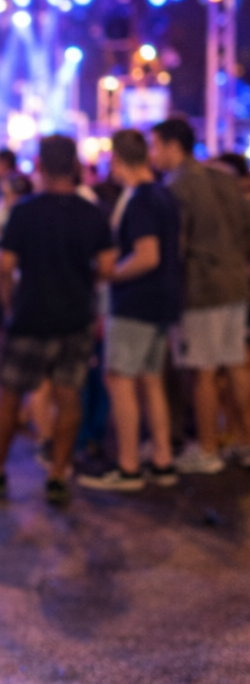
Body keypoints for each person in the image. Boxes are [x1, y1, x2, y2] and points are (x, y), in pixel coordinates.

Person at [0, 134, 114, 505]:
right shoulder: (92, 213)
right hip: (76, 316)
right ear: (76, 168)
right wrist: (83, 284)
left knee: (10, 396)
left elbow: (7, 266)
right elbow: (107, 267)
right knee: (68, 397)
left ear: (41, 167)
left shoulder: (25, 212)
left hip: (30, 315)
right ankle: (59, 475)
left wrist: (11, 305)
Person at [78, 129, 182, 491]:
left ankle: (129, 467)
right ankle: (163, 461)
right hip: (163, 300)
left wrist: (110, 275)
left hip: (137, 301)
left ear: (118, 160)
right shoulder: (164, 194)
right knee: (151, 380)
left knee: (120, 378)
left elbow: (147, 254)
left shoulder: (140, 200)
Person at [150, 117, 250, 472]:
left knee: (203, 370)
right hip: (236, 283)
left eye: (155, 145)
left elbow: (175, 247)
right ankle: (245, 441)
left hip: (202, 289)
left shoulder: (176, 188)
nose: (153, 154)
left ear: (172, 146)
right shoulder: (224, 178)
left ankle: (207, 449)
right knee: (237, 363)